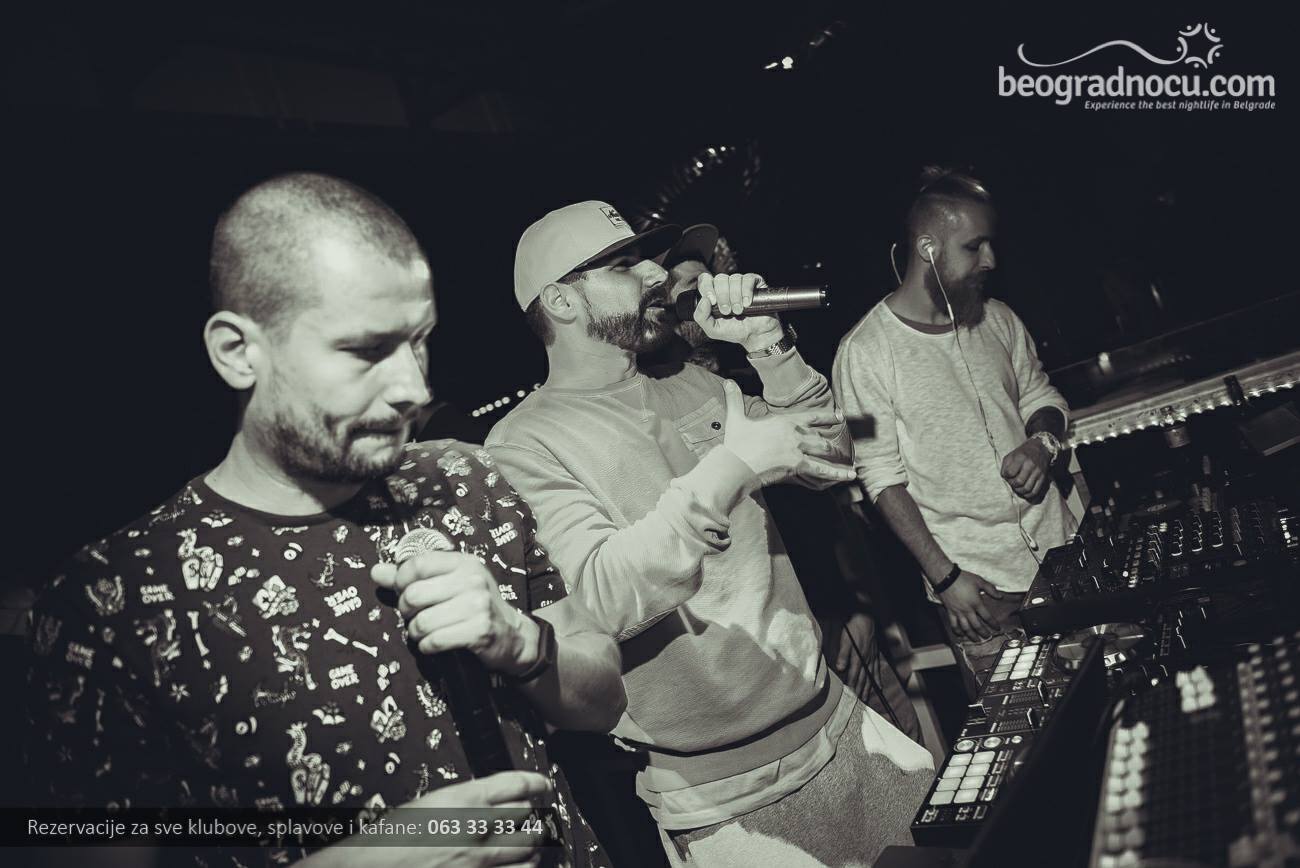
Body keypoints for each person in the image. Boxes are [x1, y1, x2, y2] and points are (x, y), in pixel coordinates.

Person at [24, 173, 624, 868]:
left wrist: (519, 642)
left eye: (419, 340)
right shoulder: (111, 601)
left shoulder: (465, 482)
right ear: (238, 352)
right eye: (365, 351)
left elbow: (603, 699)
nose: (413, 387)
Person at [485, 200, 934, 868]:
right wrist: (730, 470)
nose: (654, 274)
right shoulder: (522, 443)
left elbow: (835, 459)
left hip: (837, 720)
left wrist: (768, 347)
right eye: (624, 264)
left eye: (649, 259)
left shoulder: (691, 381)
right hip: (725, 794)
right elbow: (600, 599)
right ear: (561, 300)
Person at [664, 224, 921, 742]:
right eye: (690, 290)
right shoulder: (668, 413)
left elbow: (827, 472)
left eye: (707, 280)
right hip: (773, 659)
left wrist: (854, 606)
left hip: (841, 619)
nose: (708, 293)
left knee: (910, 750)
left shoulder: (745, 378)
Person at [832, 167, 1078, 693]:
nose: (990, 261)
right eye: (974, 247)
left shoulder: (1000, 319)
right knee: (1030, 732)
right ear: (928, 247)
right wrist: (945, 579)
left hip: (1068, 558)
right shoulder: (862, 354)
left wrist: (1042, 443)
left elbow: (1043, 396)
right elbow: (879, 475)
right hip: (982, 594)